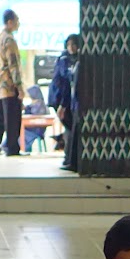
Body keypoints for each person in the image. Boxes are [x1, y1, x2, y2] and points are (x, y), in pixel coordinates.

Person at [0, 10, 23, 157]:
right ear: (10, 22)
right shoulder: (9, 41)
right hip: (8, 86)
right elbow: (13, 64)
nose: (18, 24)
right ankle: (12, 147)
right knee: (12, 119)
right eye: (16, 20)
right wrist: (19, 86)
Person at [51, 33, 81, 172]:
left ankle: (69, 158)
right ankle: (70, 159)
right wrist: (62, 105)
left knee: (71, 130)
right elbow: (64, 83)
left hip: (68, 100)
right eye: (69, 45)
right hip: (61, 99)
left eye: (74, 44)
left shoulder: (75, 60)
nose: (71, 47)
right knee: (71, 129)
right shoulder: (65, 60)